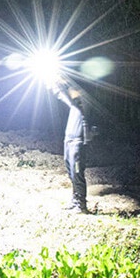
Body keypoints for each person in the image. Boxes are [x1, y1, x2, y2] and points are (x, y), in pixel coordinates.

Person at [50, 79, 89, 213]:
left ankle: (81, 204)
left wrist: (65, 82)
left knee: (77, 172)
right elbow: (62, 95)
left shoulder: (83, 103)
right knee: (71, 171)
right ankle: (75, 199)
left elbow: (72, 92)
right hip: (69, 140)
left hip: (77, 142)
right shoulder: (74, 104)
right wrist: (53, 84)